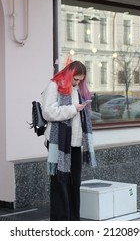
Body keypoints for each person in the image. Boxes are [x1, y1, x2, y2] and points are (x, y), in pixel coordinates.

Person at [42, 61, 96, 221]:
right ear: (69, 74)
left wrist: (85, 109)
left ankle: (73, 221)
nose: (78, 83)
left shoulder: (77, 89)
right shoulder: (54, 86)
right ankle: (61, 223)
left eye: (80, 80)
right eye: (76, 79)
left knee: (75, 183)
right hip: (58, 143)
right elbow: (48, 112)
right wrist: (73, 109)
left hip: (75, 143)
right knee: (60, 184)